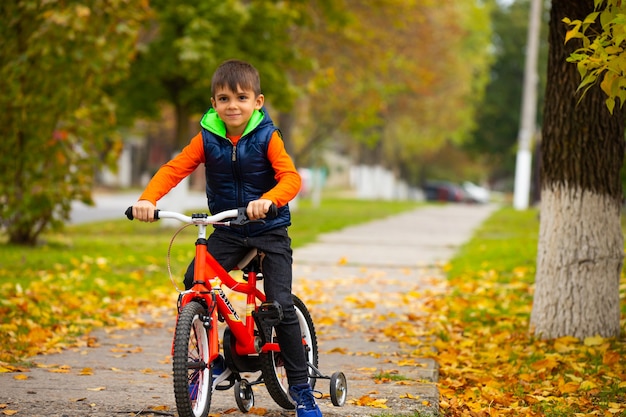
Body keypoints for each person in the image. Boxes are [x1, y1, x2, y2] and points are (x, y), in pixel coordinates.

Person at [131, 59, 321, 417]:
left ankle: (301, 388)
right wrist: (147, 199)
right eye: (223, 98)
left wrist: (269, 200)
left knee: (278, 306)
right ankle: (213, 353)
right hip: (229, 229)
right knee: (194, 282)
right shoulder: (207, 138)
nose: (232, 105)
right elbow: (175, 169)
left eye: (241, 97)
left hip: (268, 230)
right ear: (214, 103)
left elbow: (290, 178)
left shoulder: (268, 137)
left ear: (257, 102)